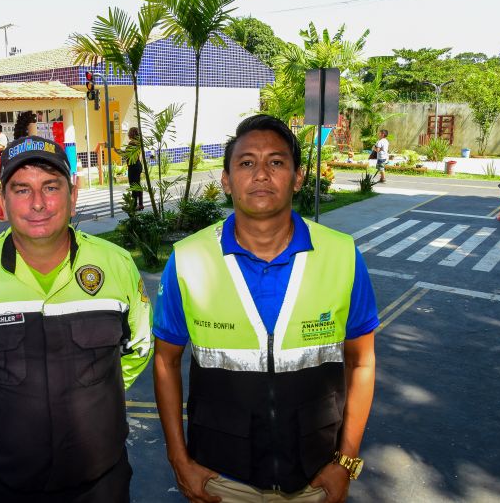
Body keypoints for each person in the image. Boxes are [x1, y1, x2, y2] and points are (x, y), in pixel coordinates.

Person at [153, 115, 379, 503]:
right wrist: (179, 458)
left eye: (276, 162)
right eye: (246, 163)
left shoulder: (342, 255)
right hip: (220, 480)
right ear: (225, 180)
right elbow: (165, 361)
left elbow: (362, 363)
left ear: (298, 177)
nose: (261, 174)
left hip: (316, 479)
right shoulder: (188, 259)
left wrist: (346, 462)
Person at [0, 135, 153, 502]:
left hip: (102, 480)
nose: (38, 203)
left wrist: (95, 398)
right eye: (21, 189)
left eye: (51, 187)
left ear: (73, 195)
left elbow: (139, 347)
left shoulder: (116, 265)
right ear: (2, 200)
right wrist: (9, 408)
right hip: (12, 482)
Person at [125, 127, 144, 210]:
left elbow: (127, 155)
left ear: (131, 134)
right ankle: (140, 204)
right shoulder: (139, 143)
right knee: (138, 185)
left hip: (133, 166)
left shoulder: (132, 143)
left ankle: (134, 205)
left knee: (133, 186)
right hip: (138, 164)